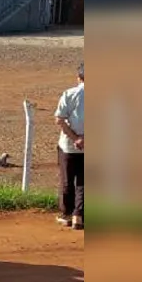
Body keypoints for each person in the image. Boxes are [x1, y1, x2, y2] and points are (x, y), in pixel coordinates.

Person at [54, 62, 85, 230]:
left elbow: (59, 119)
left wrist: (75, 138)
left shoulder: (70, 94)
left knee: (67, 180)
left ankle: (66, 215)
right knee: (84, 182)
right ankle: (78, 216)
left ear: (79, 77)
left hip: (68, 145)